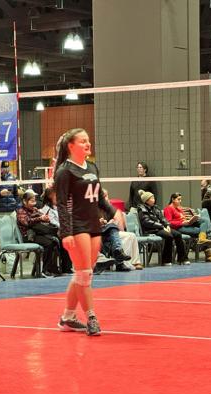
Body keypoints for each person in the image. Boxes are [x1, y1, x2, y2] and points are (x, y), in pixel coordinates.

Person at [54, 128, 122, 336]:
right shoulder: (64, 171)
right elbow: (62, 205)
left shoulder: (92, 167)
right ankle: (91, 318)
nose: (88, 144)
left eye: (88, 140)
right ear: (71, 146)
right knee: (84, 274)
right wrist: (66, 232)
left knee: (84, 274)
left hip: (93, 224)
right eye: (83, 141)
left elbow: (99, 198)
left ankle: (67, 317)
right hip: (76, 225)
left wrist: (114, 212)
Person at [137, 189, 190, 266]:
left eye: (154, 198)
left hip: (160, 227)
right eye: (152, 198)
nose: (154, 199)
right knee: (169, 236)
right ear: (146, 200)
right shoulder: (142, 209)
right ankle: (166, 260)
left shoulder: (155, 207)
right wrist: (162, 226)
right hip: (151, 229)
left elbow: (163, 218)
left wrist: (167, 225)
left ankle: (183, 259)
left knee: (178, 234)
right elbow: (146, 222)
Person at [163, 193, 211, 263]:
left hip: (186, 224)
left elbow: (182, 218)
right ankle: (208, 254)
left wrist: (190, 220)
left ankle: (202, 239)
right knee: (203, 231)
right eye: (178, 199)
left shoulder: (179, 208)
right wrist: (182, 223)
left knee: (204, 221)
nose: (180, 201)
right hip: (178, 227)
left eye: (180, 199)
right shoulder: (168, 209)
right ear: (173, 199)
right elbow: (169, 223)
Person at [16, 191, 60, 276]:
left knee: (55, 241)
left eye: (34, 201)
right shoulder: (21, 211)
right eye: (31, 201)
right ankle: (45, 270)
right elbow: (26, 222)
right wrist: (40, 218)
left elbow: (43, 217)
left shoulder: (35, 209)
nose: (34, 203)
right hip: (28, 236)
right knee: (48, 243)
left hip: (38, 234)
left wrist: (46, 218)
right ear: (24, 201)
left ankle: (52, 268)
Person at [39, 187, 73, 274]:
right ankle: (63, 267)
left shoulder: (58, 207)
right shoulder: (46, 208)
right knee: (64, 240)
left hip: (61, 231)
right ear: (50, 196)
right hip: (52, 232)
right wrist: (62, 227)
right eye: (56, 196)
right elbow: (52, 222)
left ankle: (67, 267)